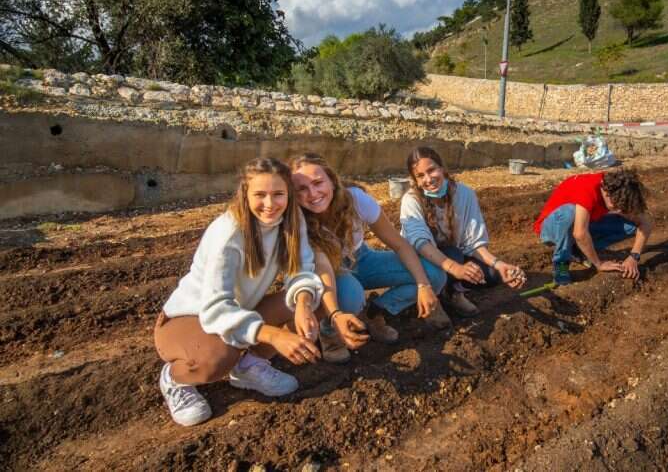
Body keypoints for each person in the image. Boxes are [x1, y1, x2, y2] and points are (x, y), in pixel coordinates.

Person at [154, 157, 325, 427]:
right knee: (219, 357)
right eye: (260, 195)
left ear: (289, 194)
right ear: (244, 194)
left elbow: (301, 269)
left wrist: (303, 303)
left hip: (239, 309)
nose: (270, 204)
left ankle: (248, 366)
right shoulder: (229, 233)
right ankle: (175, 378)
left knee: (317, 301)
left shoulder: (292, 221)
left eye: (278, 194)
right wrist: (275, 335)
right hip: (189, 318)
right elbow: (216, 308)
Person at [289, 154, 449, 364]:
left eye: (318, 183)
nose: (312, 193)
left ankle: (376, 312)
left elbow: (399, 244)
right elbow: (322, 267)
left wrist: (423, 285)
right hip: (330, 270)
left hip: (362, 258)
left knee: (434, 274)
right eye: (302, 189)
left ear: (332, 180)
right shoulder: (297, 219)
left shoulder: (355, 199)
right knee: (351, 296)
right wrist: (335, 313)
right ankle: (329, 331)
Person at [400, 147, 527, 317]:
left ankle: (450, 291)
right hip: (422, 263)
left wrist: (498, 264)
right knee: (454, 254)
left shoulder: (464, 194)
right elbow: (420, 243)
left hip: (454, 257)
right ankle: (439, 297)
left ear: (442, 168)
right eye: (421, 175)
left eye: (431, 170)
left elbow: (473, 242)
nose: (428, 179)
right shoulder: (411, 200)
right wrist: (455, 268)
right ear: (415, 180)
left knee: (491, 275)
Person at [533, 168, 654, 286]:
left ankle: (578, 250)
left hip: (582, 223)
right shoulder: (588, 189)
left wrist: (634, 257)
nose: (619, 211)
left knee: (631, 226)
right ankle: (561, 264)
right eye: (617, 207)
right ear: (608, 194)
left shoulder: (618, 187)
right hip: (551, 229)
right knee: (570, 213)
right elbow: (579, 234)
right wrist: (599, 264)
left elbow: (647, 222)